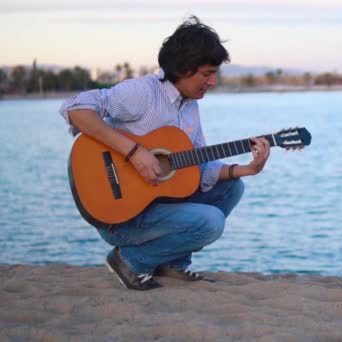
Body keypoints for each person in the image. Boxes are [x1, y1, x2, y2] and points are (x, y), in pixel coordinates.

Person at [59, 16, 271, 291]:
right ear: (183, 69)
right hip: (119, 214)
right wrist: (134, 151)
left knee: (233, 188)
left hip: (153, 208)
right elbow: (74, 108)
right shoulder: (143, 93)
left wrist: (246, 168)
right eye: (207, 74)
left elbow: (198, 168)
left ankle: (173, 264)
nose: (213, 82)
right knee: (211, 222)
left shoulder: (190, 106)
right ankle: (130, 261)